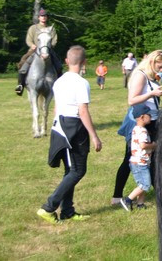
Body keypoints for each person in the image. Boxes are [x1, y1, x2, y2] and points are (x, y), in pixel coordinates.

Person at [37, 45, 102, 223]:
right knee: (78, 170)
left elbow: (57, 107)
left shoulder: (59, 81)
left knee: (70, 170)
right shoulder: (82, 83)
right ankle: (48, 207)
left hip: (60, 125)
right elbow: (83, 111)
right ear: (84, 62)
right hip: (74, 128)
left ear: (66, 61)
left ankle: (68, 211)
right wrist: (94, 136)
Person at [111, 50, 162, 205]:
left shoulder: (152, 77)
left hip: (152, 121)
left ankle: (157, 195)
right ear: (153, 63)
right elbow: (132, 100)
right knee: (130, 159)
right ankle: (117, 196)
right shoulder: (140, 75)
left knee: (154, 158)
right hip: (138, 123)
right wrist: (153, 93)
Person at [15, 8, 60, 95]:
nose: (43, 17)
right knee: (23, 64)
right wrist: (32, 45)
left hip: (48, 51)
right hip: (34, 51)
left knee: (58, 66)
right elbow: (28, 39)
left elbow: (55, 40)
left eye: (45, 16)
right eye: (42, 16)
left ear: (47, 17)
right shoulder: (33, 28)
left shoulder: (51, 29)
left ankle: (60, 85)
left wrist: (49, 47)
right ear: (39, 17)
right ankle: (20, 85)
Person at [121, 103, 156, 212]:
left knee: (143, 183)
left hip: (140, 162)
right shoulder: (142, 131)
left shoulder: (136, 129)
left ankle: (140, 203)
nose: (151, 117)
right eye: (149, 115)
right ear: (142, 117)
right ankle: (128, 199)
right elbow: (143, 145)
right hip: (140, 163)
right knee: (145, 184)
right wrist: (155, 145)